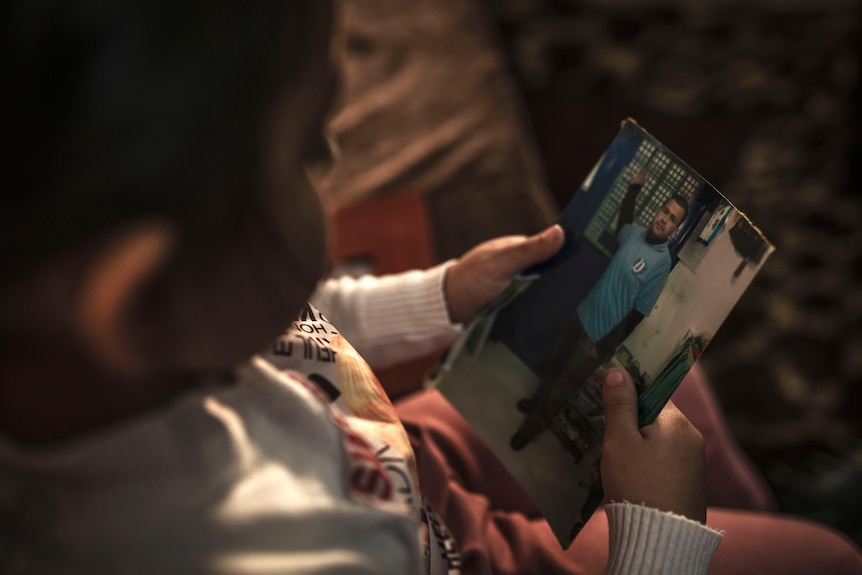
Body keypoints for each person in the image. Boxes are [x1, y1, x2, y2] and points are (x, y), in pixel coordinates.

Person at [1, 2, 860, 574]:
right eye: (308, 149)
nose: (332, 167)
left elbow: (298, 325)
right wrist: (657, 535)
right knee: (826, 557)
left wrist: (441, 293)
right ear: (143, 300)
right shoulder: (289, 556)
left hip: (393, 460)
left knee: (675, 389)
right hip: (444, 553)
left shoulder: (156, 337)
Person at [510, 168, 689, 450]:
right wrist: (633, 189)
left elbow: (637, 315)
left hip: (598, 337)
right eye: (664, 211)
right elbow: (621, 226)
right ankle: (535, 404)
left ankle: (531, 429)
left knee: (563, 388)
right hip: (582, 314)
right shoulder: (636, 234)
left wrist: (604, 346)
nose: (663, 219)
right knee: (554, 367)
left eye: (671, 219)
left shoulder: (661, 263)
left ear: (674, 228)